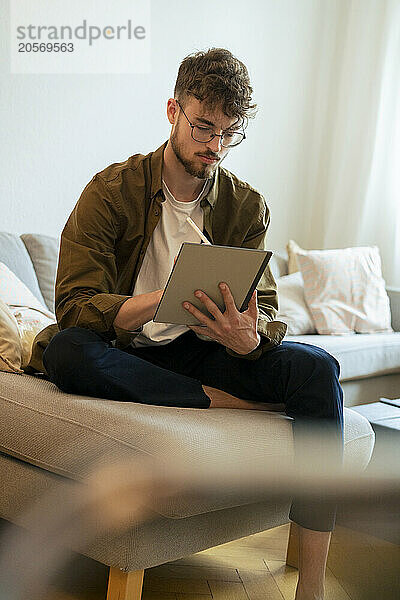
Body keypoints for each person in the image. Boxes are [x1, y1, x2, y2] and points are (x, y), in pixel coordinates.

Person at [41, 48, 343, 600]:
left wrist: (250, 338)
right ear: (172, 110)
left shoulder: (245, 205)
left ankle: (314, 584)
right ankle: (216, 398)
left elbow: (269, 310)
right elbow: (76, 306)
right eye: (204, 127)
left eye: (230, 134)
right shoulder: (110, 191)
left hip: (205, 349)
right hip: (127, 348)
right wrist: (159, 300)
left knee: (320, 370)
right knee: (66, 352)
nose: (215, 146)